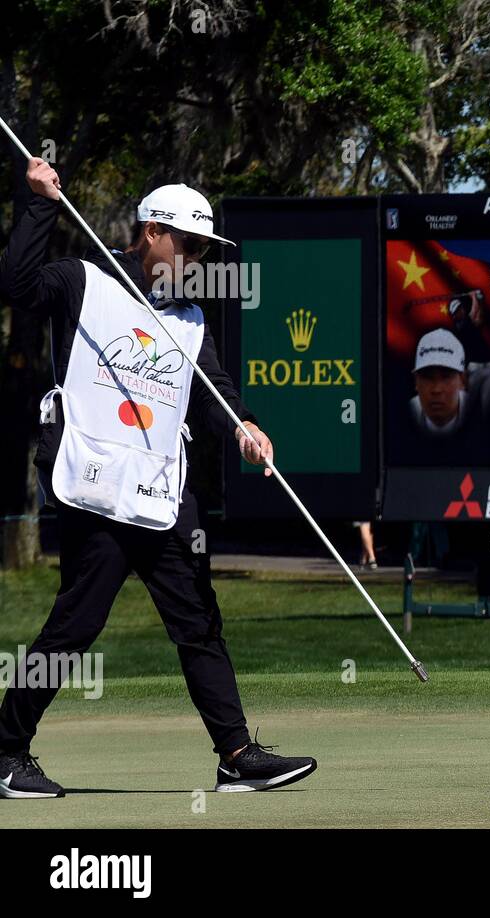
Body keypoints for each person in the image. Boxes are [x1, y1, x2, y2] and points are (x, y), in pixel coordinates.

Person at [0, 157, 317, 797]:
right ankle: (5, 750)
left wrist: (245, 426)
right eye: (190, 244)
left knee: (198, 619)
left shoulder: (190, 318)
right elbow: (17, 284)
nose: (198, 257)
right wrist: (38, 204)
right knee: (76, 626)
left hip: (163, 491)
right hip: (95, 482)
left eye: (205, 249)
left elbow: (215, 393)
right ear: (152, 234)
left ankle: (235, 756)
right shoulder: (83, 279)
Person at [408, 327, 490, 440]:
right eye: (428, 377)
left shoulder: (480, 414)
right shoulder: (404, 416)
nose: (436, 389)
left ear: (462, 380)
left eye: (446, 377)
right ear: (416, 381)